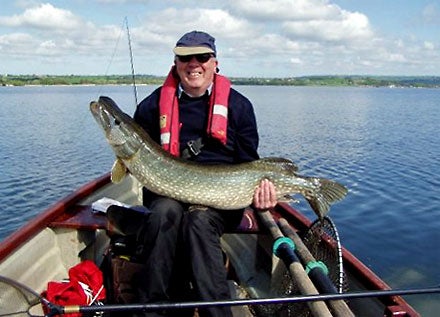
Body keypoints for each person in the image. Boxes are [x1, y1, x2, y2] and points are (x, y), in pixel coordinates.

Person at [132, 30, 277, 317]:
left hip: (221, 200)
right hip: (166, 192)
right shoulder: (151, 106)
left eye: (202, 56)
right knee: (164, 215)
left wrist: (263, 192)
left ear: (215, 62)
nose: (193, 63)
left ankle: (217, 313)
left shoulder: (239, 107)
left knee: (198, 220)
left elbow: (250, 163)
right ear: (175, 63)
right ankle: (154, 311)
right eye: (185, 57)